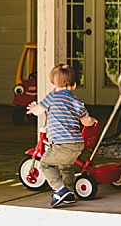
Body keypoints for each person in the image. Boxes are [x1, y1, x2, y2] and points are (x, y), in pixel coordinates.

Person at [26, 63, 97, 208]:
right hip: (77, 144)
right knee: (66, 166)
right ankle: (69, 193)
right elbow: (87, 122)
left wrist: (33, 108)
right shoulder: (77, 102)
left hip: (61, 144)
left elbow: (39, 110)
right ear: (74, 85)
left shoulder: (52, 97)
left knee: (45, 163)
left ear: (53, 84)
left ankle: (59, 189)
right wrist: (93, 120)